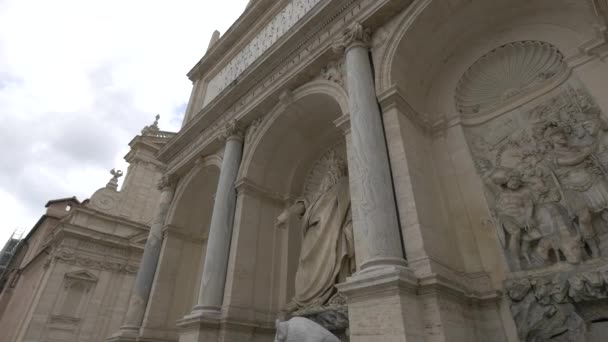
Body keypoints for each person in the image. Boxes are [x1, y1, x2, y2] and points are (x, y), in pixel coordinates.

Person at [275, 155, 355, 313]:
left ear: (340, 172)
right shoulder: (318, 195)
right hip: (313, 236)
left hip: (333, 234)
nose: (330, 174)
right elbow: (303, 204)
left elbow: (352, 209)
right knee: (305, 270)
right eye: (328, 171)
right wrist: (286, 214)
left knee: (333, 262)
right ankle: (300, 300)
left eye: (335, 170)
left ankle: (330, 294)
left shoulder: (344, 186)